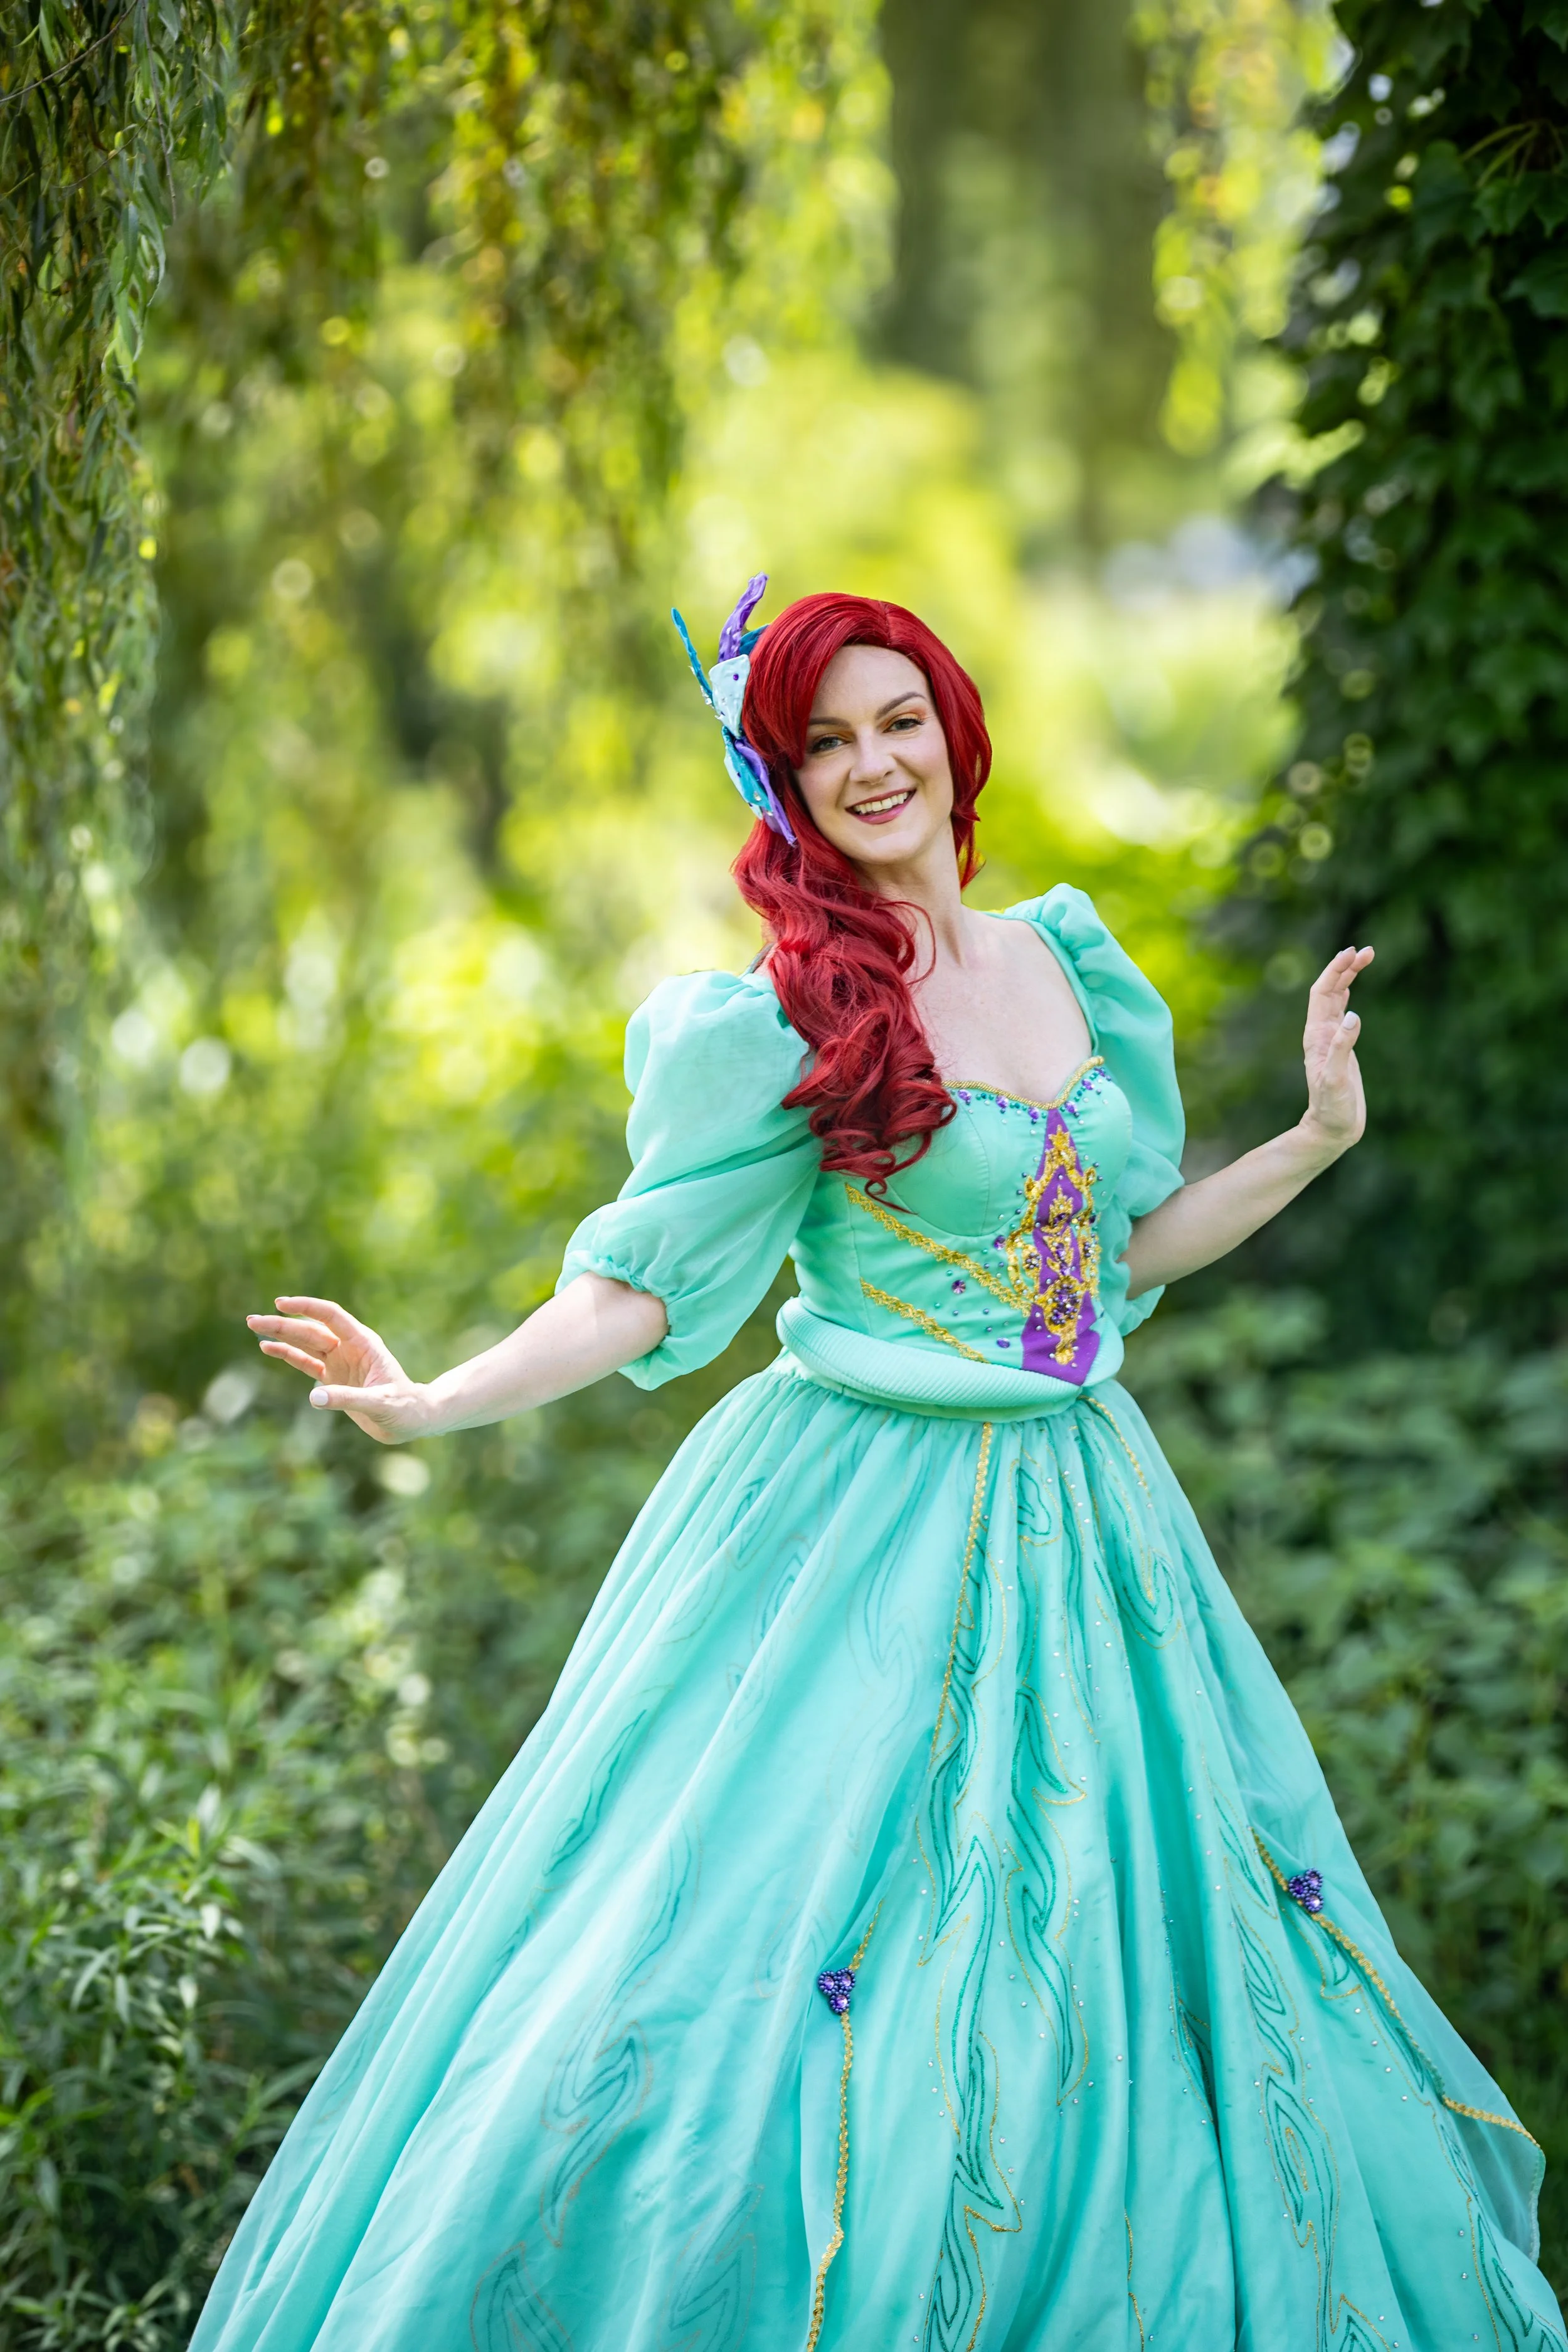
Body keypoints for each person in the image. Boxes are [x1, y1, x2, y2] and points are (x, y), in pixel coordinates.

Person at [199, 585, 1564, 2352]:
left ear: (950, 730)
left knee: (1116, 1948)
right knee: (799, 1965)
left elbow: (1117, 1258)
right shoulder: (784, 1015)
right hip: (855, 1519)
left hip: (1083, 1509)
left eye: (895, 720)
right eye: (823, 739)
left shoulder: (1064, 957)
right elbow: (631, 1291)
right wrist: (436, 1394)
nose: (871, 764)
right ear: (779, 777)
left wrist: (1307, 1138)